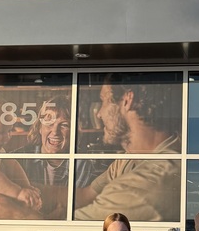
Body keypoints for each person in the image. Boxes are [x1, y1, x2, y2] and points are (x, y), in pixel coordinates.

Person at [74, 75, 181, 221]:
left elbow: (72, 225)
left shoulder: (142, 187)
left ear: (127, 100)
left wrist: (32, 214)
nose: (99, 114)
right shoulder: (127, 159)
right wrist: (32, 188)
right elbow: (85, 195)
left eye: (104, 101)